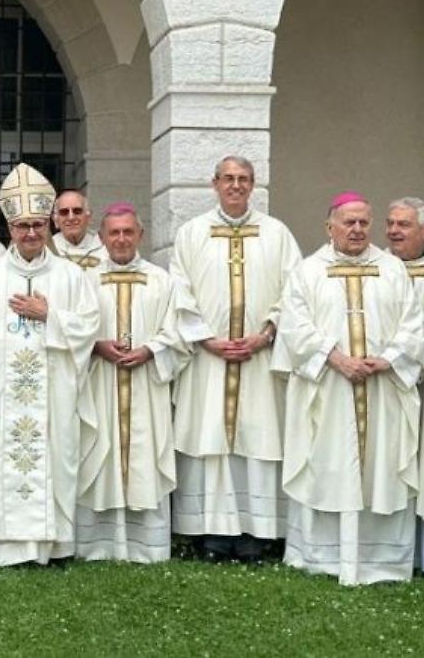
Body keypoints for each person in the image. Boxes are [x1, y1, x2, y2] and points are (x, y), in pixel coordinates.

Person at [277, 191, 424, 585]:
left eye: (363, 222)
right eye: (349, 222)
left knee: (381, 468)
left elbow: (412, 325)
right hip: (328, 389)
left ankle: (382, 562)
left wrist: (387, 359)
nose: (357, 229)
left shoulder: (393, 270)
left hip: (382, 391)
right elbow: (294, 327)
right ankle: (323, 557)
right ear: (330, 226)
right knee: (327, 466)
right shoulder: (307, 271)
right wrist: (335, 357)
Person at [0, 163, 99, 566]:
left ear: (49, 224)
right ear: (10, 228)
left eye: (38, 224)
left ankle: (51, 547)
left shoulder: (71, 276)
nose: (32, 233)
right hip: (1, 392)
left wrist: (48, 315)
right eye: (23, 226)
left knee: (57, 459)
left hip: (54, 389)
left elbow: (89, 327)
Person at [169, 155, 301, 561]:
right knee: (210, 441)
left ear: (253, 184)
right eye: (228, 178)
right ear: (214, 184)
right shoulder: (192, 233)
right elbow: (179, 289)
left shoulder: (277, 234)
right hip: (208, 359)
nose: (236, 185)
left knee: (258, 441)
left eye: (243, 179)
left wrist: (266, 335)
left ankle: (257, 535)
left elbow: (295, 292)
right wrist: (206, 338)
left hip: (258, 358)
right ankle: (211, 534)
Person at [76, 203, 195, 563]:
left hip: (146, 382)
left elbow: (179, 333)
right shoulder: (84, 281)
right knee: (100, 454)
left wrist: (150, 350)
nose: (122, 239)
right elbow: (71, 330)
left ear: (140, 235)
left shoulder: (163, 281)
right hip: (100, 384)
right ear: (101, 238)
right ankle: (98, 545)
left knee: (145, 457)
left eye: (129, 232)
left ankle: (147, 546)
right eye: (114, 232)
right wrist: (97, 346)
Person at [387, 197, 424, 577]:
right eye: (390, 223)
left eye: (403, 225)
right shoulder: (378, 270)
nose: (393, 231)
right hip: (390, 381)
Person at [51, 189, 107, 270]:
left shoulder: (104, 246)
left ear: (88, 217)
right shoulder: (48, 249)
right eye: (64, 212)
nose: (71, 217)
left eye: (77, 211)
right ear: (56, 220)